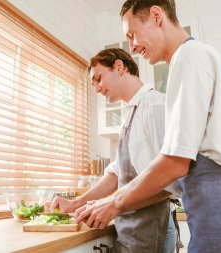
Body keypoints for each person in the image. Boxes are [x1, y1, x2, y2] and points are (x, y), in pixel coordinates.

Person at [76, 1, 221, 253]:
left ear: (156, 16)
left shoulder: (188, 57)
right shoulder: (189, 58)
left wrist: (114, 203)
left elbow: (175, 161)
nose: (133, 46)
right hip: (212, 202)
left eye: (132, 34)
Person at [50, 48, 177, 253]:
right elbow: (116, 173)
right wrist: (75, 204)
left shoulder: (155, 106)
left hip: (154, 229)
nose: (97, 89)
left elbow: (171, 181)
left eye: (99, 79)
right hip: (129, 230)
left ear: (119, 67)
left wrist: (113, 204)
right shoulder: (128, 116)